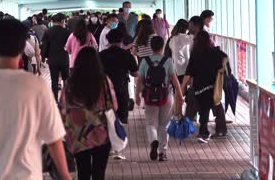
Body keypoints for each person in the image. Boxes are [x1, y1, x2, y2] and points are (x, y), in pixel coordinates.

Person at [0, 19, 71, 180]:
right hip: (27, 175)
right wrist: (65, 175)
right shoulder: (37, 85)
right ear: (22, 47)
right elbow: (53, 139)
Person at [60, 47, 118, 180]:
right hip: (101, 134)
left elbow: (62, 108)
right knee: (99, 173)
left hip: (77, 136)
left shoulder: (69, 84)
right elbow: (114, 105)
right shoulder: (104, 82)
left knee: (83, 172)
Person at [136, 36, 183, 162]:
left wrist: (137, 96)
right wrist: (179, 94)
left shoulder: (145, 61)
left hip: (149, 96)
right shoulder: (167, 61)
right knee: (164, 125)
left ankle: (153, 141)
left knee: (151, 124)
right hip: (166, 95)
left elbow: (140, 80)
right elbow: (174, 79)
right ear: (163, 47)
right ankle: (162, 153)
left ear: (151, 47)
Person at [181, 31, 228, 143]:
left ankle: (203, 131)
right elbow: (225, 58)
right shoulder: (215, 52)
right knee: (212, 106)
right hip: (213, 86)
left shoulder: (195, 54)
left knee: (203, 108)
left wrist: (182, 86)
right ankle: (212, 131)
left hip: (199, 86)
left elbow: (189, 72)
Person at [99, 29, 138, 160]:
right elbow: (135, 73)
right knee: (120, 120)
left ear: (108, 41)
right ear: (121, 40)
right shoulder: (126, 55)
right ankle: (119, 150)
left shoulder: (101, 55)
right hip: (121, 90)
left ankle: (108, 147)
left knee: (106, 119)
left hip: (104, 91)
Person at [41, 13, 71, 101]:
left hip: (52, 59)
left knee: (54, 80)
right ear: (62, 21)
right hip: (64, 58)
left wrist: (45, 57)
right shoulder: (67, 32)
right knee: (66, 80)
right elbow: (69, 46)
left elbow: (44, 46)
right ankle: (66, 100)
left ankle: (55, 100)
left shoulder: (48, 31)